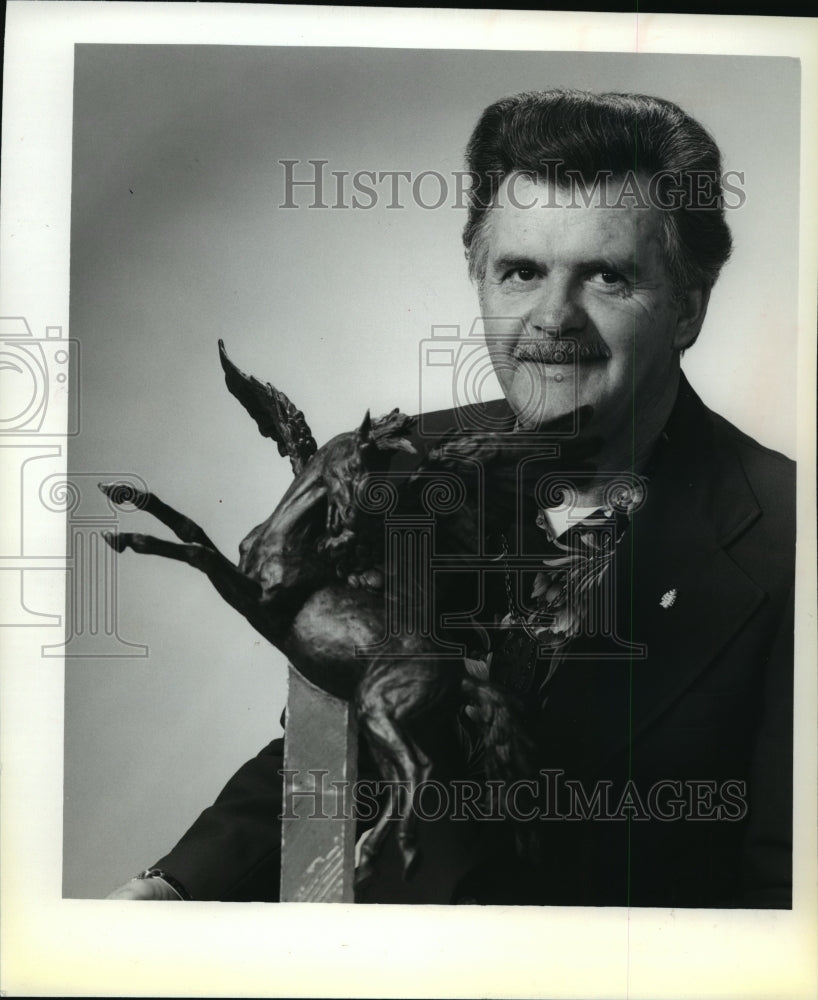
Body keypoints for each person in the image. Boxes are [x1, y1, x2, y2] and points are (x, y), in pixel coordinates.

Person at [108, 89, 794, 907]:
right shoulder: (398, 473)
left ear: (688, 305)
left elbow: (787, 900)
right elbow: (334, 740)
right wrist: (174, 889)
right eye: (522, 272)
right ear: (480, 278)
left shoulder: (791, 537)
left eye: (608, 276)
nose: (552, 318)